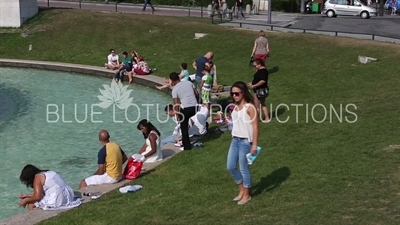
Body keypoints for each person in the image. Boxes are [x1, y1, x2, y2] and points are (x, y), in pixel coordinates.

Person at [227, 81, 259, 205]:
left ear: (243, 93)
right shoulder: (234, 107)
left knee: (244, 168)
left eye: (237, 93)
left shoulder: (250, 108)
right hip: (235, 140)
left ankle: (247, 194)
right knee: (230, 166)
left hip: (246, 141)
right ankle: (241, 190)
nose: (234, 96)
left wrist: (254, 145)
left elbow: (256, 127)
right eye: (232, 94)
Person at [170, 72, 199, 150]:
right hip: (195, 108)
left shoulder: (175, 90)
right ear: (179, 77)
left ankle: (187, 146)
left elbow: (176, 104)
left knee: (183, 127)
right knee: (186, 119)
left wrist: (177, 115)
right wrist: (197, 102)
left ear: (172, 80)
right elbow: (196, 93)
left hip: (187, 109)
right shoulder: (189, 83)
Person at [247, 58, 270, 122]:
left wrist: (254, 85)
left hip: (259, 91)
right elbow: (258, 79)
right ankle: (267, 118)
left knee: (257, 106)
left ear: (259, 64)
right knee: (262, 104)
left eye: (255, 66)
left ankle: (255, 120)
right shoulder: (261, 71)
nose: (254, 67)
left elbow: (263, 81)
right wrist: (251, 83)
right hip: (261, 90)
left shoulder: (262, 71)